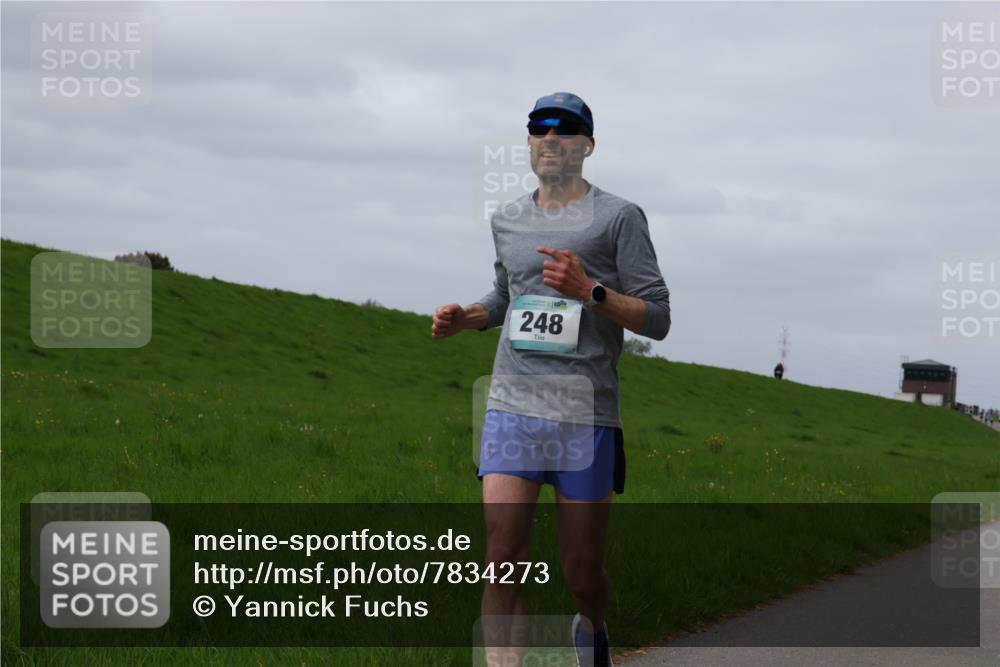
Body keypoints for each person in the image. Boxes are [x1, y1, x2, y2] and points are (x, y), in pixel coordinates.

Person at [431, 92, 671, 667]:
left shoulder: (619, 218)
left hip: (584, 415)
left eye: (566, 129)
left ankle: (593, 629)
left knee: (581, 572)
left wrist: (590, 290)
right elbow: (508, 294)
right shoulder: (507, 219)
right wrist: (471, 317)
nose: (551, 137)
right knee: (501, 555)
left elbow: (658, 317)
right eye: (540, 128)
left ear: (587, 145)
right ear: (530, 140)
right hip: (511, 405)